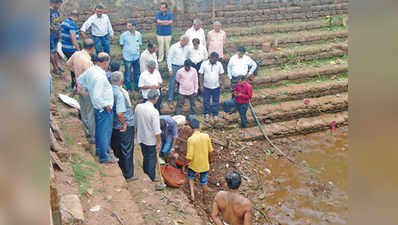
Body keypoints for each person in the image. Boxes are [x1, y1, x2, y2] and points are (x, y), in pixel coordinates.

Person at [77, 52, 117, 164]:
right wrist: (106, 106)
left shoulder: (92, 70)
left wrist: (85, 89)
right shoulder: (100, 77)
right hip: (103, 109)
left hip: (98, 108)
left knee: (100, 131)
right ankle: (104, 157)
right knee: (105, 132)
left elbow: (80, 79)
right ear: (105, 62)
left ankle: (100, 151)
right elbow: (97, 96)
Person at [66, 39, 96, 150]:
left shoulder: (76, 54)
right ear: (92, 48)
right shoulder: (88, 61)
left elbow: (68, 65)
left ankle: (87, 132)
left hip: (79, 86)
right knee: (90, 113)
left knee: (83, 110)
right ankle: (91, 136)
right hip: (87, 89)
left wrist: (76, 74)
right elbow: (91, 77)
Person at [110, 71, 137, 181]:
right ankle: (128, 174)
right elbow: (120, 113)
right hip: (123, 125)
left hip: (113, 124)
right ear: (121, 81)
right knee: (127, 149)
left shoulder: (109, 89)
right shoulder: (120, 94)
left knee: (117, 147)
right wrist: (125, 124)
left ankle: (120, 168)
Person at [134, 90, 162, 182]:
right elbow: (157, 130)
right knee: (151, 159)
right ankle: (151, 177)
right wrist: (159, 142)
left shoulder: (138, 107)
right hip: (150, 139)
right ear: (155, 99)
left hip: (141, 136)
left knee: (145, 155)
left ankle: (145, 172)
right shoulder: (154, 112)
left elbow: (135, 121)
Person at [184, 118, 213, 202]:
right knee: (204, 181)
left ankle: (192, 195)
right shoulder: (206, 136)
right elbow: (210, 151)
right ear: (199, 127)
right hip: (204, 164)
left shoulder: (191, 140)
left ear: (190, 128)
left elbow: (189, 157)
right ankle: (205, 197)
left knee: (191, 177)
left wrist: (184, 165)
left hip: (194, 165)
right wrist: (210, 160)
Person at [199, 52, 225, 121]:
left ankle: (215, 114)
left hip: (216, 86)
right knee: (206, 101)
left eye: (216, 60)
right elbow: (201, 75)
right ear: (210, 58)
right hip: (206, 86)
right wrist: (201, 86)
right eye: (214, 59)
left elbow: (222, 74)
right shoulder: (204, 64)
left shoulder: (219, 64)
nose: (215, 61)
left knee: (216, 101)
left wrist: (223, 85)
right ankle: (207, 114)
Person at [167, 35, 191, 104]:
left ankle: (181, 99)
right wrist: (170, 69)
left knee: (182, 83)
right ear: (182, 41)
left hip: (183, 67)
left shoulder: (187, 47)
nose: (186, 44)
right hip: (174, 66)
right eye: (186, 42)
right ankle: (170, 99)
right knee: (172, 83)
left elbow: (187, 57)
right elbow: (169, 58)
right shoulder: (174, 47)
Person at [120, 20, 142, 92]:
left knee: (137, 73)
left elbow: (139, 44)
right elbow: (121, 45)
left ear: (133, 26)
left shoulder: (138, 34)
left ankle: (137, 88)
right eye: (127, 25)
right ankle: (128, 88)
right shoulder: (124, 35)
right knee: (127, 74)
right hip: (127, 57)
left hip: (136, 56)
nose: (128, 27)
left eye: (129, 26)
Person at [61, 10, 80, 88]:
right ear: (76, 17)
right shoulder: (72, 24)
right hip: (71, 49)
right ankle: (74, 84)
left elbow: (60, 33)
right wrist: (78, 50)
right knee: (75, 67)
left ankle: (74, 84)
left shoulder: (64, 22)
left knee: (73, 66)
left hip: (64, 47)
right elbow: (73, 38)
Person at [50, 0, 63, 75]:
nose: (59, 6)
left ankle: (58, 66)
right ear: (54, 3)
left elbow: (58, 23)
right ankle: (55, 68)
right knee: (51, 51)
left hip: (56, 34)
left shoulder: (56, 12)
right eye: (59, 4)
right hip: (50, 34)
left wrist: (60, 32)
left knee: (55, 51)